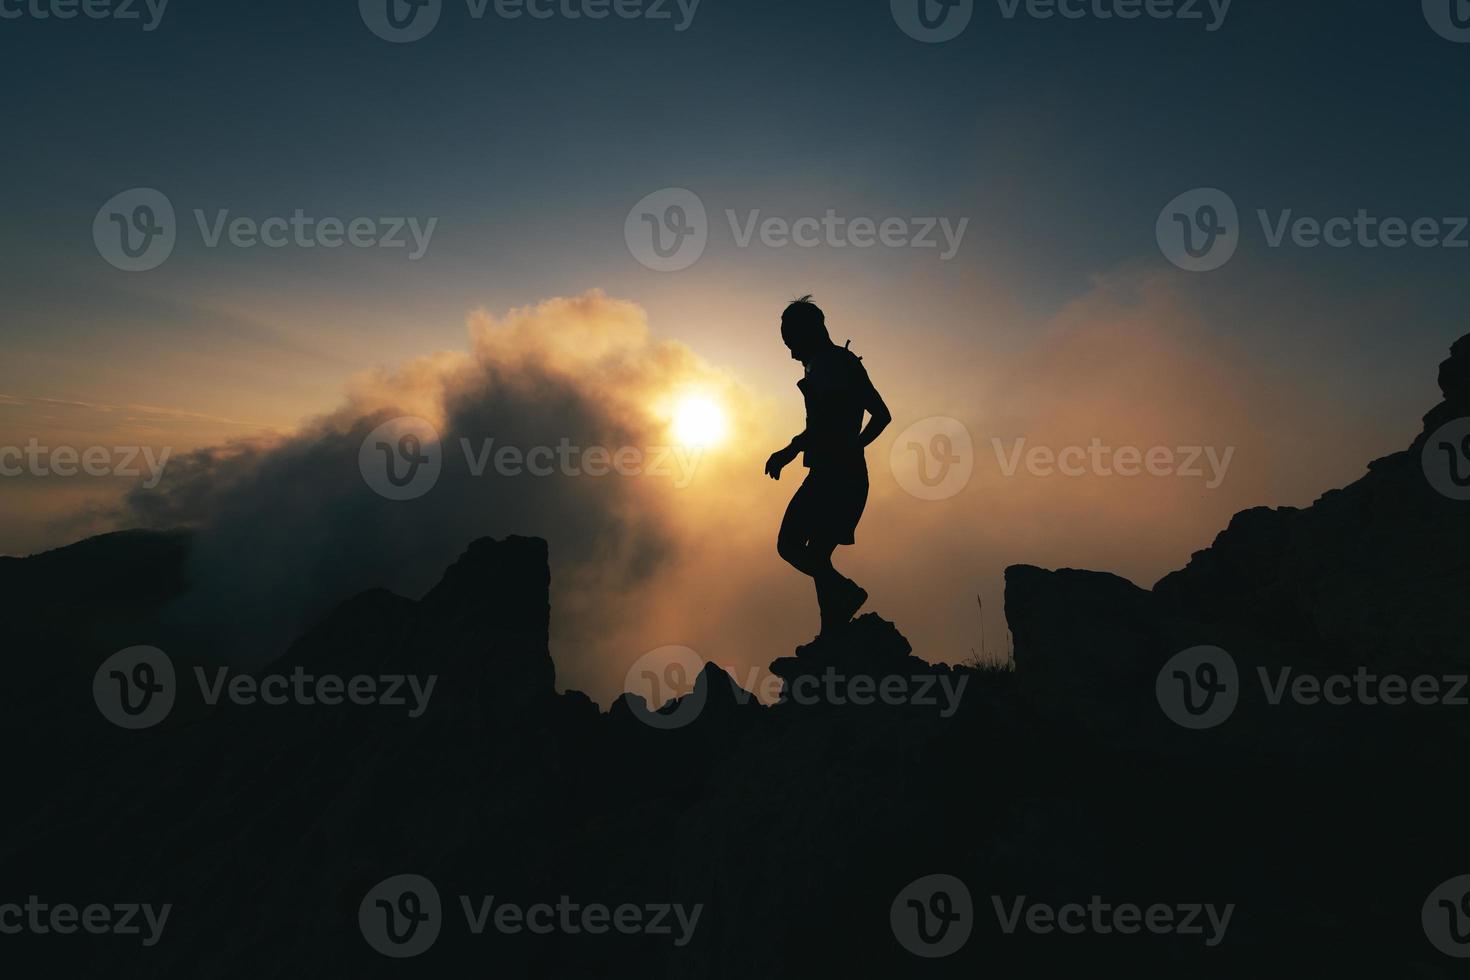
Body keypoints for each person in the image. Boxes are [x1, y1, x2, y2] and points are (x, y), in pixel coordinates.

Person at [765, 296, 891, 637]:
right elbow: (882, 416)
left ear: (810, 332)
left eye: (792, 343)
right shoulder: (845, 361)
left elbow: (827, 423)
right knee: (819, 555)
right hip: (848, 475)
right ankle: (831, 636)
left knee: (790, 545)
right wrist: (856, 447)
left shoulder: (827, 365)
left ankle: (846, 596)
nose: (791, 354)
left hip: (831, 478)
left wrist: (791, 449)